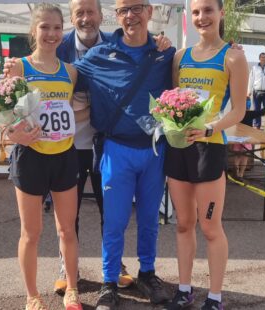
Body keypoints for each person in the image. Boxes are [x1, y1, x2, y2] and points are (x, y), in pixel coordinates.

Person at [74, 0, 175, 309]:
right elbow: (60, 73)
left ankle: (147, 274)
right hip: (116, 150)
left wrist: (231, 51)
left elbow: (195, 74)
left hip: (154, 150)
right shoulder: (98, 55)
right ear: (115, 16)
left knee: (148, 220)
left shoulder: (166, 53)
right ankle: (109, 282)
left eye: (137, 7)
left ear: (150, 11)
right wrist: (20, 66)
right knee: (115, 221)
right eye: (123, 10)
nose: (130, 15)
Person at [163, 0, 248, 309]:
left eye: (208, 10)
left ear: (221, 13)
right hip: (179, 148)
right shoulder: (179, 57)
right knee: (184, 224)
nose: (202, 17)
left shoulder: (234, 57)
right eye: (196, 12)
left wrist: (210, 128)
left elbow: (239, 110)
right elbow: (173, 101)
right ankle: (184, 289)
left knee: (210, 226)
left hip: (209, 149)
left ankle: (214, 297)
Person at [53, 0, 134, 294]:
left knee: (111, 210)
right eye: (79, 13)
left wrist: (161, 41)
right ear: (72, 17)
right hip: (66, 145)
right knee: (67, 215)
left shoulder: (118, 43)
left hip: (106, 143)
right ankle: (67, 266)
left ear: (101, 15)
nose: (86, 18)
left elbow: (145, 47)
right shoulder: (57, 45)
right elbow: (35, 66)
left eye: (91, 12)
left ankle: (115, 265)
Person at [6, 4, 82, 310]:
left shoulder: (71, 72)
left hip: (64, 156)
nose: (51, 34)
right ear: (34, 31)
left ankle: (73, 289)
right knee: (31, 232)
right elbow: (2, 112)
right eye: (44, 28)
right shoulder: (19, 68)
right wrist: (14, 134)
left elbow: (71, 111)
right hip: (31, 157)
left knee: (67, 229)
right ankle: (32, 295)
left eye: (56, 28)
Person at [232, 97, 265, 180]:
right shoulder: (250, 113)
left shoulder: (236, 113)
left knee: (237, 156)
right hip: (246, 138)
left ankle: (236, 171)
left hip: (237, 138)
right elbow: (262, 112)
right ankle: (241, 174)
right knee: (245, 156)